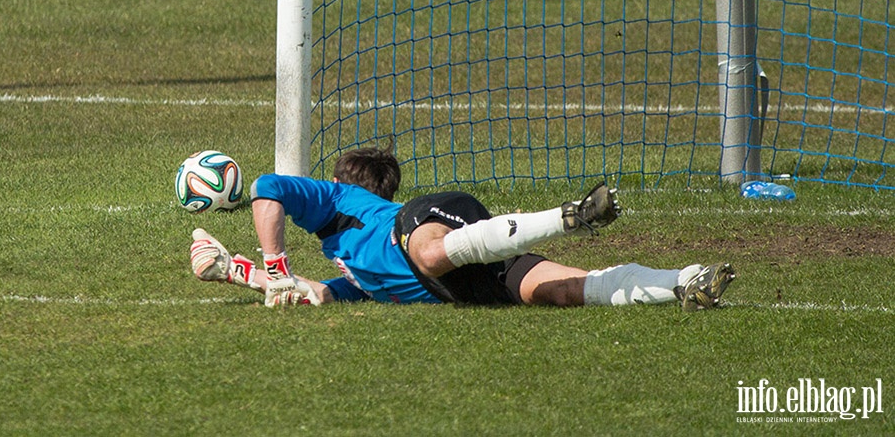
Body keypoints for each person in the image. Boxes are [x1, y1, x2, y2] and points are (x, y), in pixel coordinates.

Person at [189, 147, 736, 311]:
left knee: (426, 252)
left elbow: (266, 187)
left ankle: (567, 218)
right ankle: (686, 280)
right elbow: (315, 297)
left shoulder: (341, 199)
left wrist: (277, 264)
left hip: (425, 229)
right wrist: (236, 273)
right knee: (569, 290)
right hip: (458, 282)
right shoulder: (349, 267)